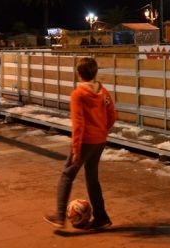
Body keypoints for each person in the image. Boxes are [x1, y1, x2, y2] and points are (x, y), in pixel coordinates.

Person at [44, 57, 117, 230]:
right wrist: (102, 130)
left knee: (67, 175)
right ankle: (101, 216)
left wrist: (76, 148)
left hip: (85, 141)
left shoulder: (78, 94)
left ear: (79, 74)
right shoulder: (104, 92)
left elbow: (78, 124)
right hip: (99, 140)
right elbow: (112, 115)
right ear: (95, 72)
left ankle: (59, 216)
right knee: (92, 178)